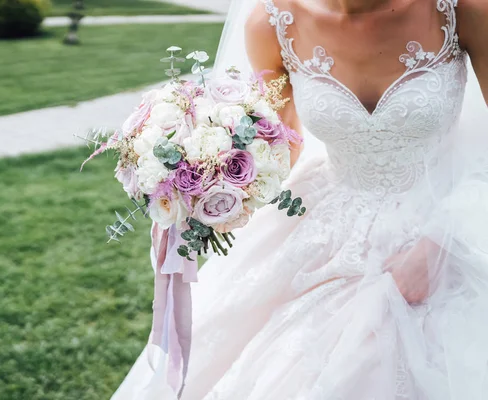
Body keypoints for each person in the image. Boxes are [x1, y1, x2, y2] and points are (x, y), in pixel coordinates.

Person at [113, 0, 488, 398]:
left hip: (452, 210)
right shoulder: (272, 22)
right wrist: (204, 177)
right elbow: (278, 146)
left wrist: (444, 242)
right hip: (326, 218)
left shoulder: (461, 9)